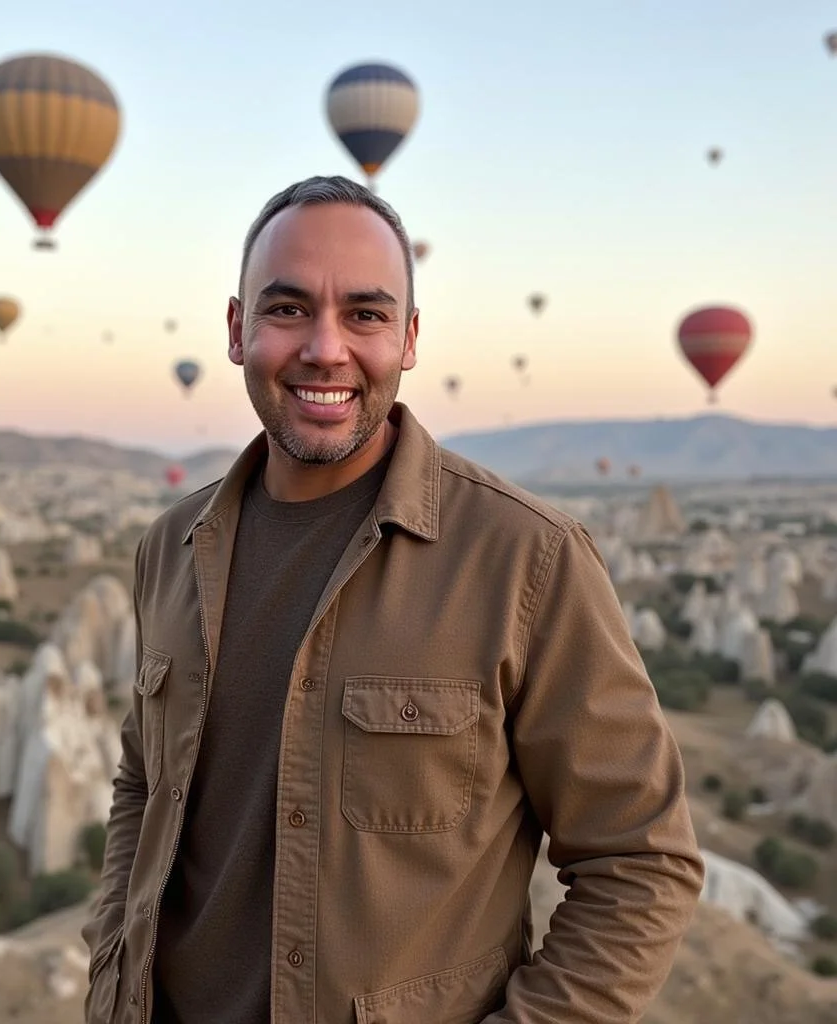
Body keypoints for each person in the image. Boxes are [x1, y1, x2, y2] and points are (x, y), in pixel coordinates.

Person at [82, 175, 705, 1024]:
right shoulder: (171, 546)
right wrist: (112, 951)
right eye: (289, 308)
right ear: (237, 330)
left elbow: (642, 862)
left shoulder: (527, 559)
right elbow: (142, 778)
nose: (326, 350)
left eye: (366, 315)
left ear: (409, 340)